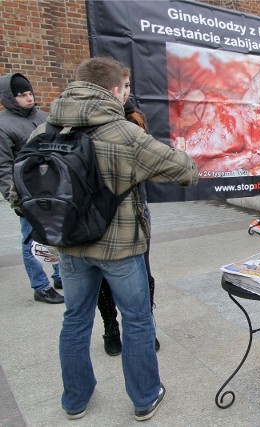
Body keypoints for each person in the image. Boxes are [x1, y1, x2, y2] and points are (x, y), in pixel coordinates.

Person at [11, 57, 198, 421]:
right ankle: (144, 398)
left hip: (69, 247)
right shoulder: (124, 133)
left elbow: (17, 194)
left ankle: (75, 400)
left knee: (75, 319)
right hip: (120, 249)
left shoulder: (43, 130)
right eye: (124, 89)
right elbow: (186, 172)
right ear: (114, 90)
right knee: (138, 320)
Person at [97, 97, 159, 356]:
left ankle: (146, 327)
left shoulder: (134, 120)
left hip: (135, 208)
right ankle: (111, 327)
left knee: (142, 273)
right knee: (103, 276)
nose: (126, 92)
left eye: (127, 87)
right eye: (123, 86)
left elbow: (153, 161)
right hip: (97, 210)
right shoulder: (85, 122)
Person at [0, 73, 64, 304]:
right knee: (31, 240)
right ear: (9, 97)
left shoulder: (43, 117)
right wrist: (13, 199)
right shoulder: (3, 125)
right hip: (27, 193)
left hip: (53, 189)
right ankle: (40, 286)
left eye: (29, 93)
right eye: (21, 95)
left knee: (55, 233)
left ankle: (59, 276)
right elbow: (4, 167)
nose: (28, 98)